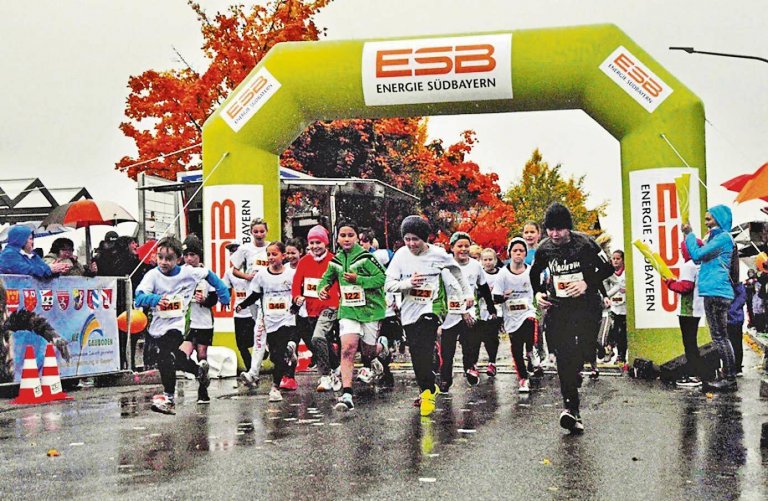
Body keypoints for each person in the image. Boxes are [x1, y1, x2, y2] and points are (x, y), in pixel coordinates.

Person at [531, 203, 614, 433]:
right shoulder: (544, 248)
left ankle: (579, 367)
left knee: (584, 350)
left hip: (587, 307)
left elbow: (608, 269)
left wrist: (587, 283)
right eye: (550, 229)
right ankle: (571, 410)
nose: (554, 235)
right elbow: (535, 273)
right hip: (560, 308)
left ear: (568, 228)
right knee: (563, 358)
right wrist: (538, 293)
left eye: (559, 230)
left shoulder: (585, 243)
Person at [134, 237, 230, 415]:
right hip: (157, 326)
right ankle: (198, 370)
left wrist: (224, 296)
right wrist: (155, 299)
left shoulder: (189, 272)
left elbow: (212, 278)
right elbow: (138, 296)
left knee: (165, 357)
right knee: (176, 358)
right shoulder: (152, 275)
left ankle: (169, 399)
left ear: (178, 259)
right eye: (160, 257)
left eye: (168, 258)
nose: (163, 262)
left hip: (178, 325)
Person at [385, 215, 470, 416]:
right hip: (409, 311)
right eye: (407, 239)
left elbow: (457, 271)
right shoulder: (400, 256)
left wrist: (466, 294)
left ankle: (426, 393)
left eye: (416, 239)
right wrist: (408, 284)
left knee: (425, 336)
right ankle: (429, 386)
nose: (412, 244)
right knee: (416, 351)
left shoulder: (438, 254)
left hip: (433, 307)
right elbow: (389, 284)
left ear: (425, 238)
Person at [318, 220, 387, 412]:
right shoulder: (336, 260)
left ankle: (383, 347)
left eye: (350, 235)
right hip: (348, 310)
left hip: (370, 310)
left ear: (357, 237)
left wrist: (360, 280)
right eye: (343, 235)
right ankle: (347, 394)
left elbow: (382, 278)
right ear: (337, 238)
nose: (346, 239)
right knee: (347, 348)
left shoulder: (366, 258)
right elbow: (327, 278)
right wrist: (321, 288)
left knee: (368, 352)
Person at [682, 205, 737, 392]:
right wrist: (688, 237)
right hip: (716, 292)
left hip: (716, 292)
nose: (706, 223)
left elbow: (696, 254)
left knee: (720, 337)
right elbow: (698, 259)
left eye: (709, 219)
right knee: (721, 337)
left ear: (719, 219)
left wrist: (689, 234)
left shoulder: (723, 238)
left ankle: (730, 378)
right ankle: (729, 375)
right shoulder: (719, 238)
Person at [236, 242, 297, 403]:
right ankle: (290, 353)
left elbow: (298, 293)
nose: (271, 258)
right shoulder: (262, 275)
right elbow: (255, 294)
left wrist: (296, 306)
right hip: (269, 320)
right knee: (276, 353)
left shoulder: (290, 274)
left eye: (274, 254)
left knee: (277, 355)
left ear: (283, 256)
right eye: (268, 254)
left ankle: (275, 387)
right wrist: (242, 304)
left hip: (286, 319)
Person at [439, 231, 495, 390]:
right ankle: (445, 378)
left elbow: (483, 288)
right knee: (447, 350)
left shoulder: (476, 265)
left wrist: (491, 309)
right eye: (459, 246)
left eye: (466, 246)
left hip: (470, 313)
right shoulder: (446, 266)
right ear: (452, 248)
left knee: (470, 344)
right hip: (450, 314)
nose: (463, 249)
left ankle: (469, 368)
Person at [292, 225, 342, 393]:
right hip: (311, 309)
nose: (315, 246)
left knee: (317, 337)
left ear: (326, 243)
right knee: (322, 341)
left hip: (330, 307)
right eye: (312, 242)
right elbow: (296, 283)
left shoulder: (334, 260)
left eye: (318, 242)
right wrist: (296, 296)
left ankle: (326, 375)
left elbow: (342, 282)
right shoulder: (304, 261)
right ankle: (336, 367)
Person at [494, 237, 539, 393]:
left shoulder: (531, 272)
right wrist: (504, 296)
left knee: (531, 321)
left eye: (521, 250)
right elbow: (495, 298)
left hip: (527, 311)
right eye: (515, 250)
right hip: (511, 316)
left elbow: (539, 289)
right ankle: (523, 379)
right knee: (516, 348)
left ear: (525, 253)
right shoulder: (503, 274)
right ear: (510, 253)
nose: (518, 253)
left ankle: (531, 352)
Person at [179, 235, 218, 404]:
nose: (189, 259)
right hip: (187, 323)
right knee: (182, 355)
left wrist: (205, 301)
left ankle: (203, 391)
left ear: (199, 256)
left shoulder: (206, 275)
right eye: (186, 255)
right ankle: (198, 374)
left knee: (202, 355)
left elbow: (215, 298)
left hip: (204, 322)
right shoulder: (181, 274)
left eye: (193, 255)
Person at [232, 218, 271, 386]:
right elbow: (234, 269)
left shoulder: (271, 247)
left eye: (262, 231)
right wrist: (247, 276)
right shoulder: (245, 249)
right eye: (256, 231)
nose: (259, 234)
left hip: (270, 294)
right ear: (251, 232)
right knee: (259, 329)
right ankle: (259, 362)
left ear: (266, 231)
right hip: (252, 295)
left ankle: (254, 371)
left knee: (262, 330)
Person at [664, 239, 706, 387]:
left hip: (687, 309)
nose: (681, 251)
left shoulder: (688, 266)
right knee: (692, 342)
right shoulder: (701, 263)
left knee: (689, 343)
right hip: (698, 307)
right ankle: (697, 373)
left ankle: (694, 375)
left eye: (682, 249)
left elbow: (685, 287)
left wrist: (670, 283)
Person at [222, 242, 256, 376]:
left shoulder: (253, 270)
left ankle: (263, 352)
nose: (233, 255)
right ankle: (250, 370)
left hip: (254, 310)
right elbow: (226, 289)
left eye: (236, 252)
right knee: (241, 344)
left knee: (257, 340)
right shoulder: (229, 272)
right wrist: (225, 300)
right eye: (231, 253)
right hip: (240, 312)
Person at [281, 237, 308, 391]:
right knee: (291, 345)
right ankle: (289, 377)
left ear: (301, 252)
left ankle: (330, 372)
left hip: (306, 313)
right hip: (289, 313)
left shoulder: (306, 266)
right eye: (288, 253)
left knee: (314, 344)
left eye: (294, 253)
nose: (290, 256)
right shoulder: (284, 269)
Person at [0, 225, 70, 277]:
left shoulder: (33, 255)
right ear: (21, 240)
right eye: (30, 239)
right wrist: (49, 269)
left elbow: (44, 269)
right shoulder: (8, 254)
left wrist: (56, 270)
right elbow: (26, 270)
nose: (32, 242)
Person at [478, 248, 503, 377]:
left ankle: (492, 362)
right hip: (481, 309)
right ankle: (473, 364)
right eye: (485, 260)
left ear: (495, 260)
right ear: (481, 261)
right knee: (480, 337)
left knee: (491, 337)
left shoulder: (501, 274)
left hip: (497, 310)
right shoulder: (480, 274)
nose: (488, 262)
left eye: (490, 259)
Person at [603, 250, 627, 365]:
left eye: (618, 259)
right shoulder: (608, 273)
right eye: (613, 259)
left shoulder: (627, 273)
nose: (615, 261)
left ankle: (621, 355)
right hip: (613, 307)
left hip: (625, 308)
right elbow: (605, 290)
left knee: (622, 333)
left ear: (623, 260)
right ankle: (609, 350)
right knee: (610, 331)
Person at [727, 279, 747, 377]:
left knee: (735, 342)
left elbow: (742, 298)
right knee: (734, 343)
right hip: (735, 317)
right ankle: (734, 367)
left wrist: (731, 310)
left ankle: (736, 367)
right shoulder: (737, 284)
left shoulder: (735, 283)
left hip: (734, 317)